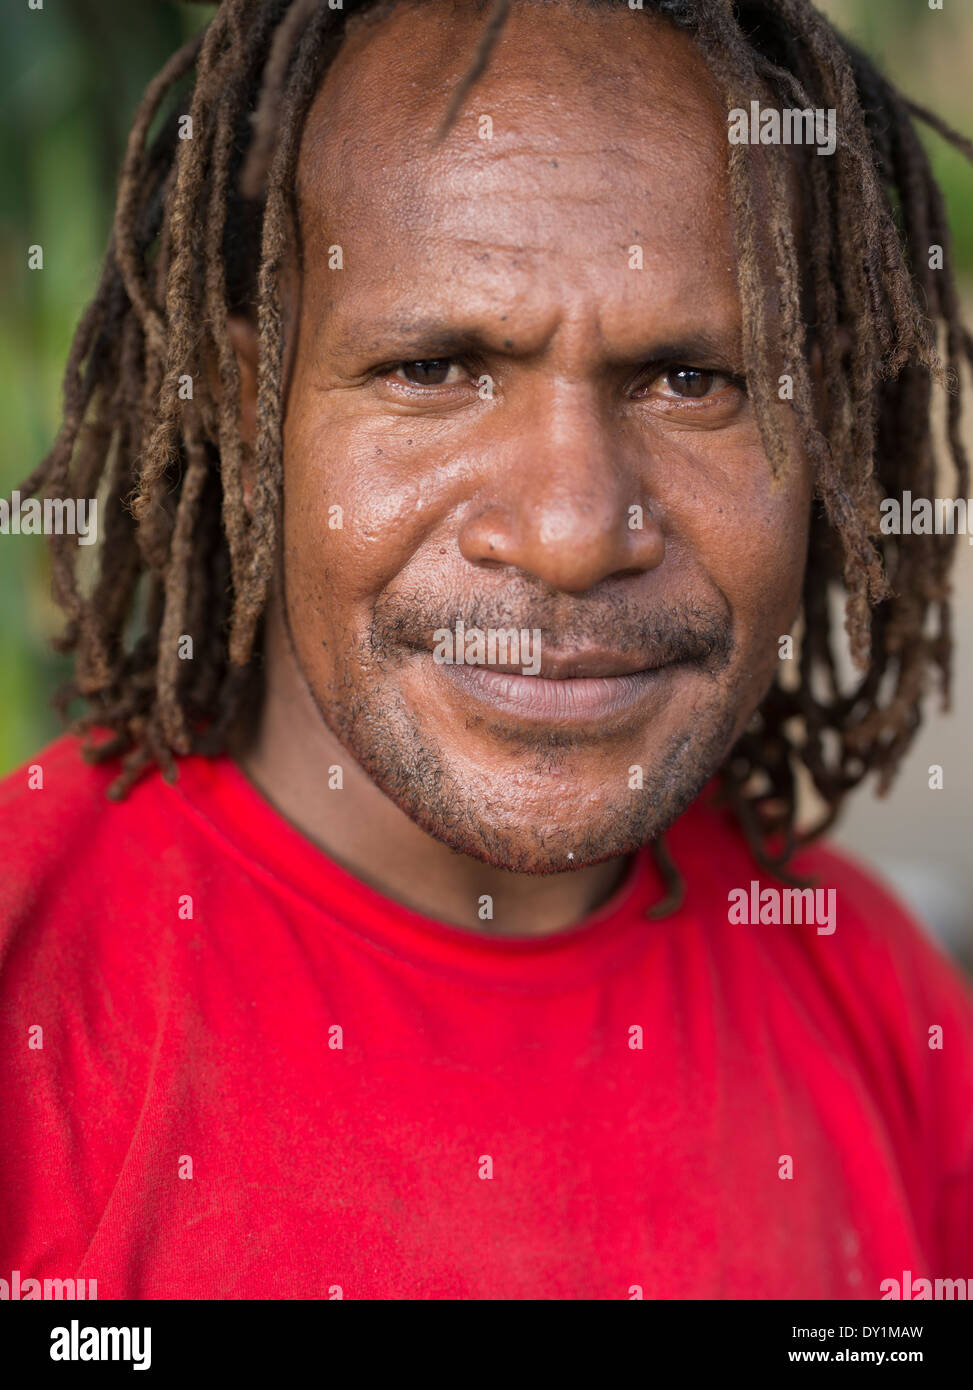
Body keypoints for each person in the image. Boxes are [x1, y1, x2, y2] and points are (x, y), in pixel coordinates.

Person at [2, 0, 972, 1300]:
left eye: (692, 380)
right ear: (249, 405)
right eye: (434, 368)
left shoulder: (874, 998)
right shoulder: (31, 983)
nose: (571, 532)